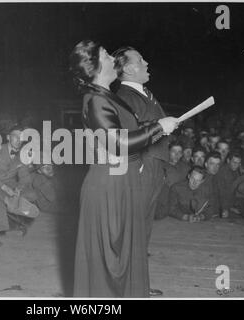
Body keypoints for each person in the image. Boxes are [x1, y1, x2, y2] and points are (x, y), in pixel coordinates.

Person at [70, 40, 178, 297]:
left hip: (123, 182)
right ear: (95, 66)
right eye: (106, 55)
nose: (111, 58)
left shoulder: (107, 97)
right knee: (110, 262)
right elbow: (117, 143)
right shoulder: (95, 99)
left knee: (124, 257)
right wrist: (158, 127)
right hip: (109, 186)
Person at [113, 46, 176, 296]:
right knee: (134, 229)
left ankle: (136, 286)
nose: (147, 62)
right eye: (141, 59)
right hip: (142, 166)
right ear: (128, 68)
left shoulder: (144, 93)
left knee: (143, 229)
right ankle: (127, 288)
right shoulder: (125, 97)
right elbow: (128, 134)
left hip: (153, 164)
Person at [0, 128, 36, 243]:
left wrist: (19, 188)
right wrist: (5, 189)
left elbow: (25, 177)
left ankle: (13, 223)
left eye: (21, 138)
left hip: (11, 183)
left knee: (30, 194)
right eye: (15, 136)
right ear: (8, 137)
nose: (18, 140)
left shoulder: (23, 154)